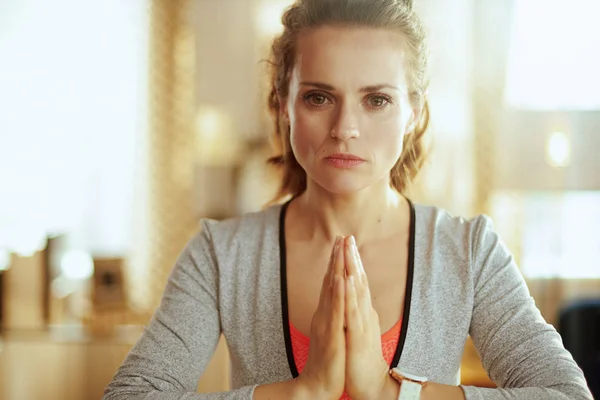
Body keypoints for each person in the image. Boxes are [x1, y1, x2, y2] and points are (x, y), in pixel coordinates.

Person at [104, 0, 593, 399]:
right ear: (281, 104)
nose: (345, 129)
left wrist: (388, 392)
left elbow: (566, 395)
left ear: (413, 112)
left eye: (377, 99)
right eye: (319, 97)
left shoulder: (469, 251)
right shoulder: (220, 254)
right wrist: (304, 392)